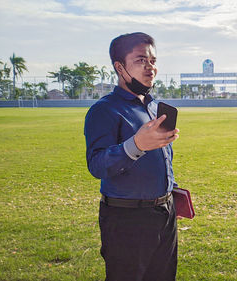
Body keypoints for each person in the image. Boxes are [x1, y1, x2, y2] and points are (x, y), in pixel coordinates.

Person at [84, 32, 180, 281]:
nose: (151, 68)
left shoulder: (154, 107)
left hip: (165, 213)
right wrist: (135, 144)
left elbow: (161, 156)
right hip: (127, 219)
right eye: (140, 60)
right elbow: (97, 165)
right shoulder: (104, 110)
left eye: (153, 61)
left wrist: (172, 189)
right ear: (119, 67)